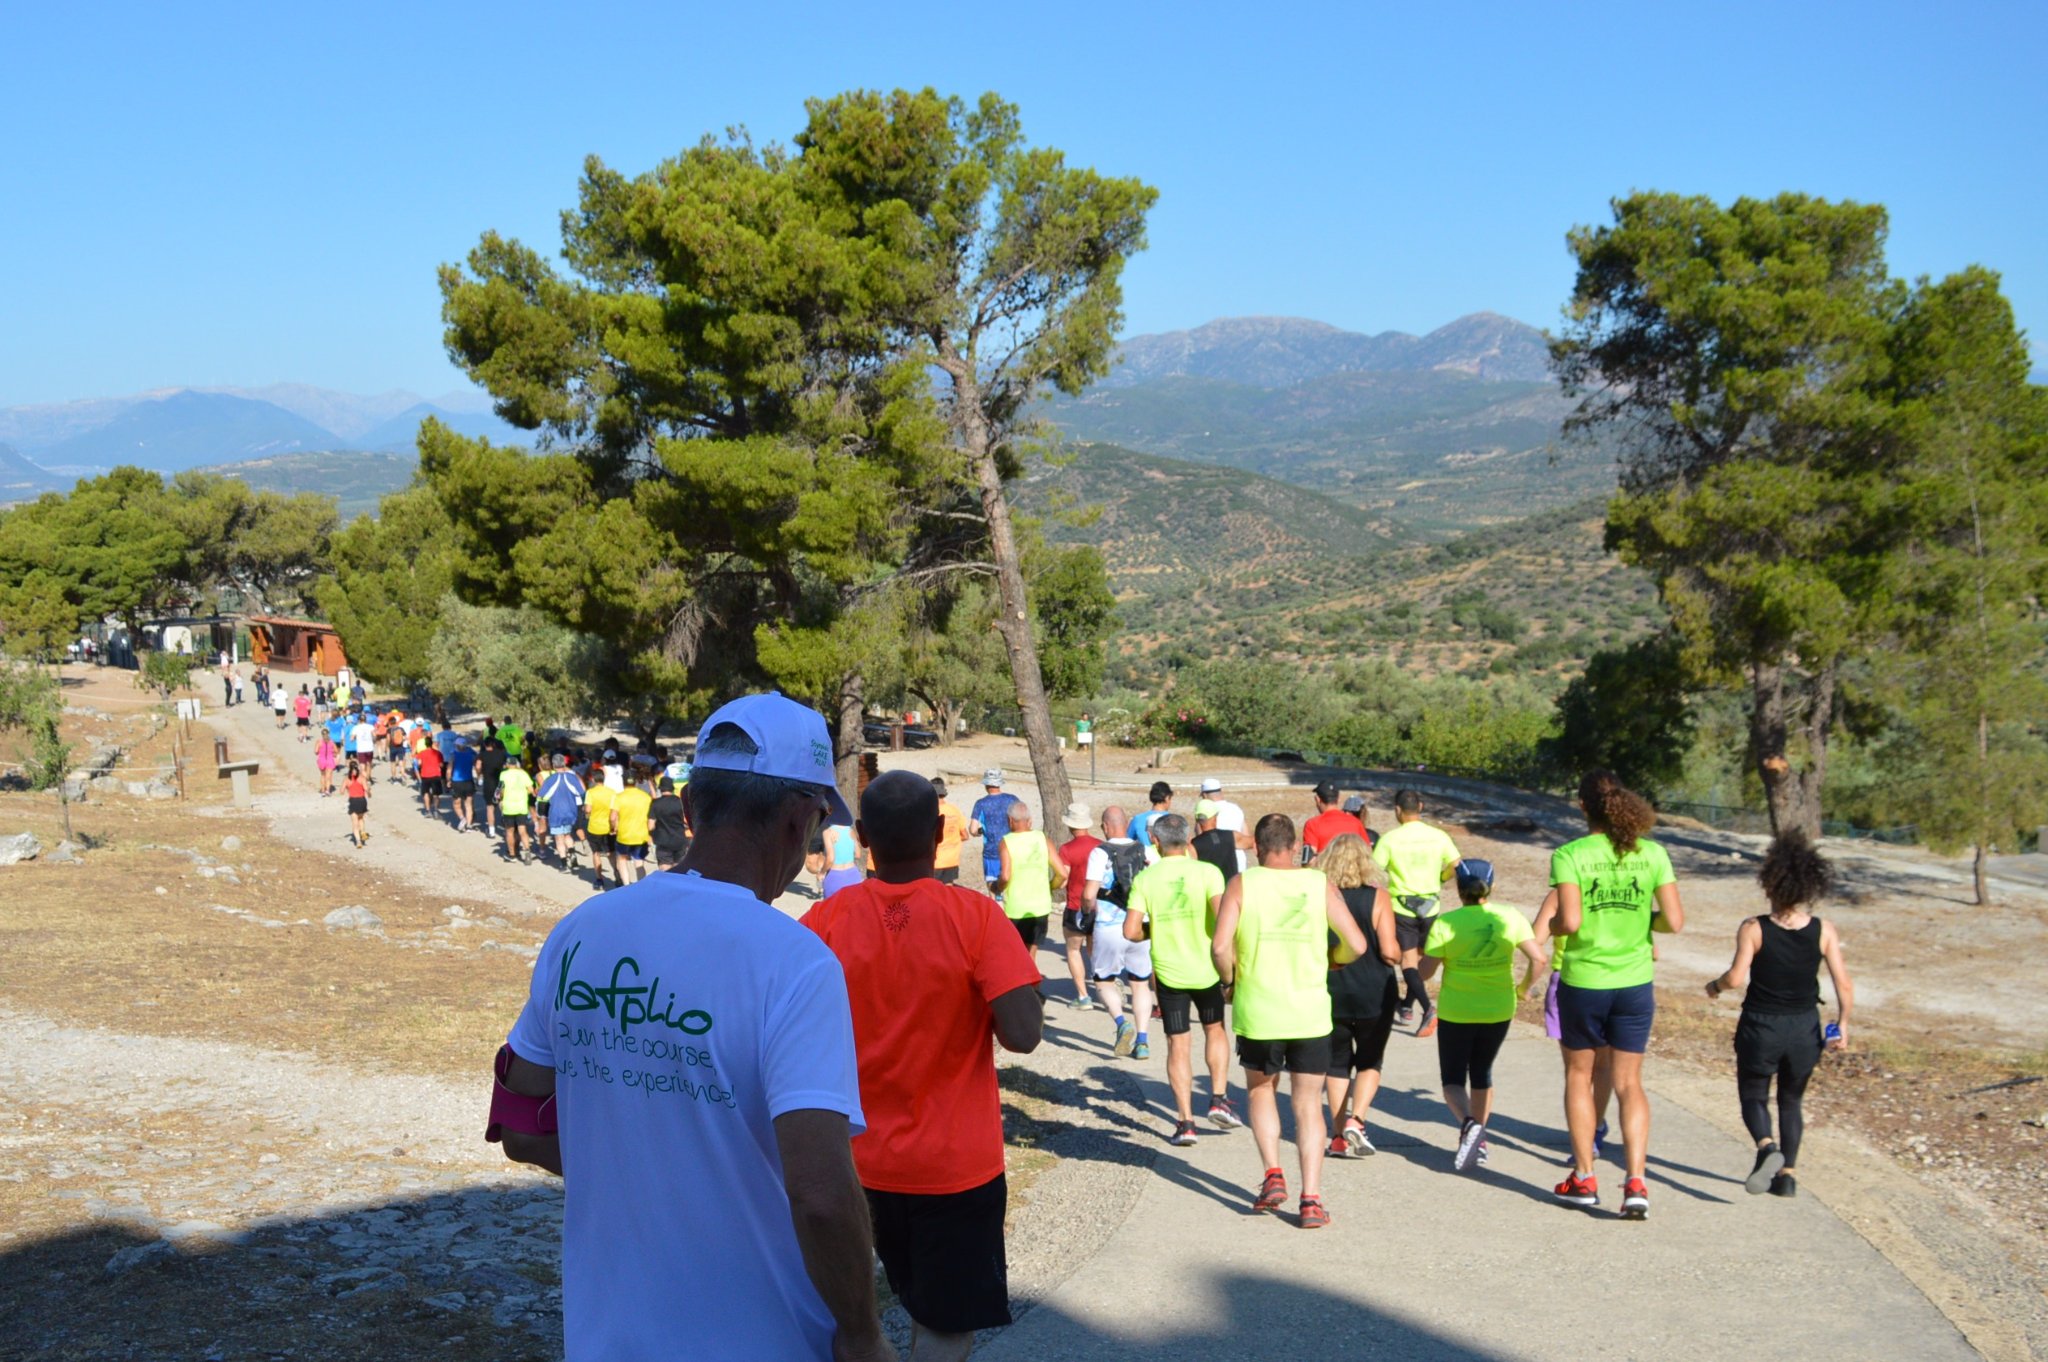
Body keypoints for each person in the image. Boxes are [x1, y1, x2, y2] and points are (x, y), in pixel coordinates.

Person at [490, 692, 895, 1362]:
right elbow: (821, 1194)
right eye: (822, 818)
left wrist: (631, 1175)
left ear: (689, 808)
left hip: (604, 1338)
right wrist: (862, 1333)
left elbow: (520, 1124)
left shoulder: (582, 932)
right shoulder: (794, 963)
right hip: (764, 1339)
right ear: (799, 819)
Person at [801, 771, 1043, 1362]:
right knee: (943, 1324)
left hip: (853, 1162)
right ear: (940, 832)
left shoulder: (821, 926)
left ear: (861, 837)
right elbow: (1024, 1036)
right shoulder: (977, 918)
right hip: (955, 1166)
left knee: (854, 1317)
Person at [1212, 814, 1369, 1228]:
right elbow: (1357, 943)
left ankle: (1272, 1175)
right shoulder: (1318, 883)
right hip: (1310, 1012)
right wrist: (1333, 960)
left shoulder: (1242, 885)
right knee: (1307, 1105)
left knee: (1261, 1092)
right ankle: (1312, 1199)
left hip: (1259, 1009)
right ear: (1294, 844)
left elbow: (1220, 945)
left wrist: (1230, 979)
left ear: (1257, 847)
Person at [1551, 770, 1684, 1220]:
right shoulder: (1654, 853)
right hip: (1634, 982)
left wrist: (1550, 928)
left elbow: (1568, 922)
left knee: (1578, 1076)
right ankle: (1636, 1183)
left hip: (1585, 980)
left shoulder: (1570, 855)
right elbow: (1675, 920)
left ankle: (1585, 1176)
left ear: (1583, 807)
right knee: (1629, 1083)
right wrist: (1645, 924)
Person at [1706, 832, 1854, 1199]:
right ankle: (1786, 1177)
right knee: (1791, 1100)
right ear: (1809, 884)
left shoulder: (1754, 928)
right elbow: (1844, 984)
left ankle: (1767, 1146)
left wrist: (1715, 986)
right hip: (1805, 1028)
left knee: (1753, 1095)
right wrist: (1843, 1025)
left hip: (1761, 1026)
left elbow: (1736, 978)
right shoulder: (1824, 930)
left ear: (1769, 882)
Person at [1123, 813, 1240, 1143]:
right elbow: (1223, 918)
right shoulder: (1208, 872)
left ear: (1156, 843)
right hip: (1207, 969)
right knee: (1214, 1029)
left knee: (1178, 1042)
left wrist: (1153, 928)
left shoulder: (1146, 879)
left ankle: (1185, 1122)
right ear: (1189, 841)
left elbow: (1130, 931)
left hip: (1170, 973)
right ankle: (1218, 1098)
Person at [1422, 859, 1545, 1172]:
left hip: (1457, 1010)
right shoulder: (1511, 916)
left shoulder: (1446, 923)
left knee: (1452, 1079)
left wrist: (1413, 963)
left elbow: (1425, 972)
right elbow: (1540, 958)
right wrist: (1523, 988)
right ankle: (1480, 1137)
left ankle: (1469, 1126)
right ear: (1492, 886)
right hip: (1499, 1007)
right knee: (1482, 1072)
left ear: (1457, 888)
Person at [1315, 833, 1401, 1158]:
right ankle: (1357, 1119)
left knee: (1337, 1063)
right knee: (1369, 1060)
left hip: (1331, 986)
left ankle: (1337, 1135)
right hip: (1373, 990)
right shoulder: (1378, 897)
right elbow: (1391, 952)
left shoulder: (1322, 895)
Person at [1528, 889, 1618, 1166]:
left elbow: (1537, 938)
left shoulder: (1561, 893)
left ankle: (1585, 1140)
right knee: (1604, 1065)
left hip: (1570, 979)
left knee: (1577, 1070)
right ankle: (1595, 1130)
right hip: (1616, 978)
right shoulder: (1620, 889)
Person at [1371, 789, 1463, 1037]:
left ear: (1397, 810)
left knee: (1409, 963)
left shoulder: (1390, 839)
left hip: (1402, 907)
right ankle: (1407, 1005)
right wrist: (1440, 878)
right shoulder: (1439, 836)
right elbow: (1456, 864)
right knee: (1422, 962)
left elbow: (1373, 871)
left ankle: (1427, 1008)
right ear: (1420, 807)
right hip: (1431, 905)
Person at [1083, 807, 1155, 1059]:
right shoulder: (1145, 850)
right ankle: (1143, 1040)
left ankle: (1122, 1023)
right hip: (1141, 925)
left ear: (1105, 826)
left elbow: (1089, 894)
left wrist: (1085, 912)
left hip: (1109, 926)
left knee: (1104, 980)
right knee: (1140, 983)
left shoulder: (1099, 853)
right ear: (1126, 824)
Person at [995, 801, 1065, 958]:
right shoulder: (1042, 839)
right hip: (1040, 906)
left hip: (1016, 908)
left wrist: (998, 886)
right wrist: (1050, 887)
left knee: (1014, 955)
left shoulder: (1007, 842)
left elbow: (1006, 875)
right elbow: (1062, 873)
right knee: (1030, 955)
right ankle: (1034, 982)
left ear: (1010, 820)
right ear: (1030, 820)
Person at [1054, 802, 1103, 1009]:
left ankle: (1083, 997)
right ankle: (1104, 990)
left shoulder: (1066, 849)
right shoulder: (1100, 845)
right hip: (1098, 906)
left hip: (1075, 905)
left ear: (1070, 825)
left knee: (1074, 949)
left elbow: (1063, 879)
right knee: (1095, 950)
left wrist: (1051, 885)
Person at [966, 770, 1020, 894]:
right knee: (1011, 887)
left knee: (994, 890)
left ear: (986, 785)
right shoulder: (1012, 799)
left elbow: (973, 829)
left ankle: (997, 909)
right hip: (1013, 849)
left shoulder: (981, 803)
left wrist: (979, 832)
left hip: (991, 852)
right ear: (999, 783)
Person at [611, 759, 656, 885]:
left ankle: (626, 885)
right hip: (641, 835)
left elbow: (613, 817)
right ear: (636, 781)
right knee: (639, 861)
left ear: (623, 781)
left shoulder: (618, 797)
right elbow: (653, 802)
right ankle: (641, 886)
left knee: (622, 859)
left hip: (624, 835)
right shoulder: (644, 797)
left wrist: (613, 827)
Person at [540, 754, 587, 864]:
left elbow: (542, 795)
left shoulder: (550, 779)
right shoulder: (572, 777)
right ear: (564, 764)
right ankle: (573, 855)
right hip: (571, 811)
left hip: (556, 812)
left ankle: (564, 863)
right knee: (568, 834)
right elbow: (581, 792)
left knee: (558, 838)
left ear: (553, 765)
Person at [1191, 801, 1249, 886]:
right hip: (1230, 890)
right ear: (1214, 818)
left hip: (1209, 891)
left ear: (1197, 820)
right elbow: (1253, 842)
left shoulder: (1193, 845)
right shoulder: (1231, 836)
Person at [1196, 777, 1248, 871]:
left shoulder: (1205, 812)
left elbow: (1201, 838)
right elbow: (1246, 836)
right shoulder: (1236, 809)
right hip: (1238, 861)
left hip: (1215, 863)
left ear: (1205, 795)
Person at [1301, 782, 1361, 861]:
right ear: (1338, 798)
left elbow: (1309, 861)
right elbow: (1367, 853)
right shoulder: (1355, 822)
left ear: (1317, 799)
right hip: (1351, 871)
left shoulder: (1312, 824)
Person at [497, 756, 536, 864]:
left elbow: (501, 790)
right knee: (522, 831)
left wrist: (502, 798)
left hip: (509, 806)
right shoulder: (523, 774)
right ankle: (527, 853)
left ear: (507, 764)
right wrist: (522, 794)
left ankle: (512, 854)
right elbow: (530, 789)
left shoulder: (503, 774)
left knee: (509, 831)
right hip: (521, 806)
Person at [583, 769, 618, 888]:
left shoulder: (590, 792)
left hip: (594, 827)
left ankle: (599, 879)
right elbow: (614, 810)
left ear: (593, 779)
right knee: (611, 853)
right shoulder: (612, 792)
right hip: (608, 827)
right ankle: (618, 876)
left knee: (596, 853)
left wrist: (586, 811)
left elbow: (588, 809)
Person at [649, 774, 690, 869]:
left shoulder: (655, 803)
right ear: (672, 788)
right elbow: (687, 821)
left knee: (665, 868)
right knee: (678, 869)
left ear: (660, 789)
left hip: (663, 841)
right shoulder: (680, 801)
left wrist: (652, 835)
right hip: (680, 839)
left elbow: (650, 826)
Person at [931, 778, 967, 884]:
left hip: (935, 862)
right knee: (948, 890)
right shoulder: (954, 810)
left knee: (934, 892)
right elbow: (965, 835)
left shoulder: (930, 812)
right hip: (952, 860)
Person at [820, 817, 863, 897]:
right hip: (853, 875)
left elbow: (830, 859)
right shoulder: (851, 831)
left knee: (831, 908)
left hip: (835, 877)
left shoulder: (828, 832)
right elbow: (858, 854)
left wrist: (821, 873)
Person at [1129, 781, 1174, 853]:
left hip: (1145, 860)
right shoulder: (1174, 821)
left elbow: (1128, 841)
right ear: (1167, 798)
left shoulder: (1138, 819)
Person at [478, 736, 507, 840]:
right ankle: (506, 823)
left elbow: (477, 766)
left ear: (485, 745)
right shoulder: (501, 754)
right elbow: (505, 765)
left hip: (488, 783)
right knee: (501, 802)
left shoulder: (482, 754)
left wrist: (479, 774)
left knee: (490, 807)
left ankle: (491, 831)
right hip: (499, 782)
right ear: (494, 744)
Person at [448, 737, 479, 832]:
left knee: (456, 804)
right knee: (468, 804)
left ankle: (462, 818)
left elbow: (449, 769)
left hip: (457, 782)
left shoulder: (454, 754)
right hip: (468, 780)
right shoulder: (470, 753)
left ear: (457, 745)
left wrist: (448, 780)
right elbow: (477, 759)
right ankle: (469, 825)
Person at [416, 736, 446, 819]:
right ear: (432, 743)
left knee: (425, 793)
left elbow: (419, 763)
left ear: (425, 744)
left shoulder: (421, 753)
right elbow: (441, 765)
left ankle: (428, 810)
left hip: (425, 774)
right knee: (436, 794)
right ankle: (436, 810)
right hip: (436, 774)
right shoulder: (438, 753)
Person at [344, 759, 369, 848]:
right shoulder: (361, 778)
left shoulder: (347, 779)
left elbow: (341, 790)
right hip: (362, 800)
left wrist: (347, 789)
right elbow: (366, 789)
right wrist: (369, 793)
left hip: (353, 800)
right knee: (361, 818)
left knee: (355, 823)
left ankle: (358, 842)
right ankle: (362, 832)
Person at [315, 729, 338, 797]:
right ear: (328, 734)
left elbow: (316, 751)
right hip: (330, 759)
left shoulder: (319, 742)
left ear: (322, 734)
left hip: (322, 759)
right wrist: (333, 753)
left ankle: (322, 791)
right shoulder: (331, 742)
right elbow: (336, 751)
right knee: (328, 777)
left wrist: (320, 750)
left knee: (322, 776)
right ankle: (328, 790)